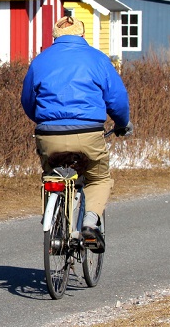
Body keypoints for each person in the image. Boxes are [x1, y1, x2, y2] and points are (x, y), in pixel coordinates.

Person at [21, 15, 132, 253]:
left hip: (48, 133)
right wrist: (122, 123)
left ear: (55, 37)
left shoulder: (40, 61)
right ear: (82, 36)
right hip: (88, 132)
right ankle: (90, 223)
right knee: (99, 177)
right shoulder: (98, 59)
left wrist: (44, 120)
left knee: (53, 175)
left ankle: (53, 222)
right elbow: (117, 99)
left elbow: (28, 101)